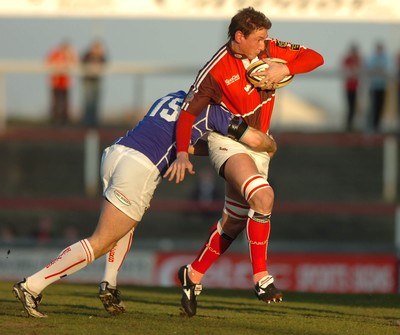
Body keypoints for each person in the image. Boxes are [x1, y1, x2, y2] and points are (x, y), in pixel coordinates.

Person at [12, 90, 277, 318]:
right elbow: (253, 141)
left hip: (117, 152)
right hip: (140, 166)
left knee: (126, 225)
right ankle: (32, 286)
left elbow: (175, 136)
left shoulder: (172, 96)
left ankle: (110, 284)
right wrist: (269, 144)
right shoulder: (213, 109)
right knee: (102, 240)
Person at [164, 7, 324, 317]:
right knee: (263, 196)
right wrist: (182, 152)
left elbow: (316, 58)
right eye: (259, 39)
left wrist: (282, 70)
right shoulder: (216, 70)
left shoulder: (270, 49)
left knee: (235, 221)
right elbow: (186, 114)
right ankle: (262, 279)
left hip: (260, 145)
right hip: (228, 142)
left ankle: (192, 274)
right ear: (240, 37)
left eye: (265, 39)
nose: (265, 45)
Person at [46, 40, 79, 125]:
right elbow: (49, 63)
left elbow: (76, 62)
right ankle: (55, 119)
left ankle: (65, 120)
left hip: (66, 83)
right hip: (56, 82)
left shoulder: (70, 54)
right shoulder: (55, 54)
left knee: (65, 102)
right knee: (56, 102)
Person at [81, 40, 108, 128]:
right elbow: (82, 63)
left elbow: (105, 63)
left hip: (96, 81)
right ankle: (87, 121)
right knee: (88, 101)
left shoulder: (101, 57)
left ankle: (94, 120)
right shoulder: (87, 56)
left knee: (95, 101)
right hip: (88, 81)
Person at [366, 42, 390, 133]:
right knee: (373, 106)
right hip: (373, 86)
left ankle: (377, 125)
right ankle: (371, 125)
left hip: (382, 86)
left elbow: (387, 68)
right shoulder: (372, 58)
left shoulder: (385, 58)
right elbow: (370, 68)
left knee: (380, 106)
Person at [341, 43, 362, 132]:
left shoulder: (358, 59)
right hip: (348, 86)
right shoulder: (347, 59)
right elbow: (346, 70)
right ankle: (348, 124)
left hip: (356, 86)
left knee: (354, 106)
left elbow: (359, 70)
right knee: (349, 106)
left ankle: (351, 123)